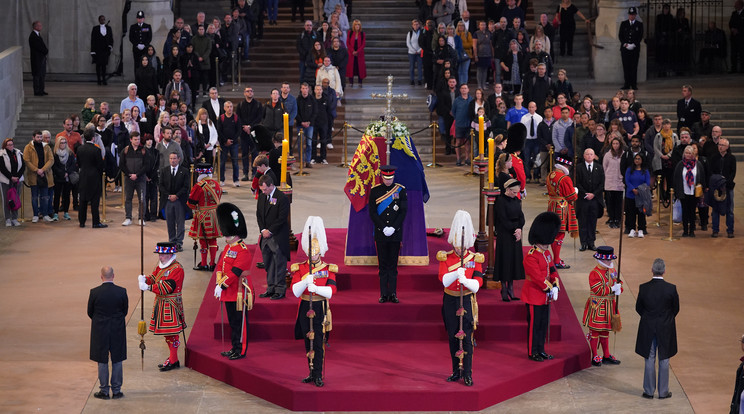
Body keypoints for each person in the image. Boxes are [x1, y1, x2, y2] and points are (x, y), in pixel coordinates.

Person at [437, 210, 484, 386]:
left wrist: (467, 280)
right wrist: (456, 274)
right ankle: (456, 371)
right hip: (450, 301)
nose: (459, 249)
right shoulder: (445, 257)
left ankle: (468, 373)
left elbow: (478, 284)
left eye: (462, 246)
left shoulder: (475, 258)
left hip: (467, 301)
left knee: (467, 339)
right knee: (452, 337)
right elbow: (443, 280)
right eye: (457, 245)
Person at [290, 216, 337, 387]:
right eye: (310, 252)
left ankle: (318, 374)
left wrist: (316, 288)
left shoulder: (327, 268)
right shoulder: (301, 267)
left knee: (318, 342)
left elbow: (331, 291)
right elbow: (295, 291)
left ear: (320, 252)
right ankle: (310, 371)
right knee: (307, 340)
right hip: (304, 306)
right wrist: (304, 281)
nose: (312, 255)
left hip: (320, 306)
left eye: (315, 252)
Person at [214, 202, 254, 360]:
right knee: (232, 322)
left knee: (240, 323)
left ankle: (241, 349)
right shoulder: (228, 248)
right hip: (228, 290)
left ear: (236, 234)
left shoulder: (242, 250)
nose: (226, 237)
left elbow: (235, 272)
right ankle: (234, 347)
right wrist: (218, 283)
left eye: (228, 235)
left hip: (238, 291)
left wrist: (222, 285)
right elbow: (220, 266)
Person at [138, 242, 187, 372]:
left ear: (170, 254)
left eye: (163, 255)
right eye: (159, 254)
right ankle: (173, 359)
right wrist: (145, 279)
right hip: (161, 303)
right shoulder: (161, 266)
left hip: (171, 305)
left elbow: (167, 287)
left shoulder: (177, 269)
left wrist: (148, 287)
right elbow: (155, 277)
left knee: (172, 334)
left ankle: (173, 359)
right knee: (168, 335)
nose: (160, 257)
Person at [635, 258, 679, 399]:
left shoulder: (644, 287)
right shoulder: (671, 288)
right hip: (665, 327)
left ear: (652, 270)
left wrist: (648, 318)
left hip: (648, 326)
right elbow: (675, 309)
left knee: (649, 358)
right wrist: (666, 320)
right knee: (664, 359)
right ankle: (663, 392)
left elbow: (639, 308)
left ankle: (649, 391)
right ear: (664, 271)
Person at [523, 211, 561, 362]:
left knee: (543, 325)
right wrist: (550, 288)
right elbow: (538, 278)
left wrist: (556, 285)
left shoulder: (546, 254)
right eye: (546, 243)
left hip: (545, 297)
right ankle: (533, 352)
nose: (548, 246)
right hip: (534, 295)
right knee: (534, 326)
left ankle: (541, 349)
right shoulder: (531, 256)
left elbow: (552, 271)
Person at [369, 165, 408, 303]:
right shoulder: (375, 191)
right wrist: (383, 227)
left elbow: (403, 212)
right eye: (386, 178)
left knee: (393, 265)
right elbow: (372, 212)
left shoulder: (400, 190)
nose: (388, 181)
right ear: (382, 177)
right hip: (381, 233)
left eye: (390, 178)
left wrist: (393, 227)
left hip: (395, 234)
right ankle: (383, 294)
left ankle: (393, 294)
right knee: (383, 265)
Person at [88, 266, 127, 400]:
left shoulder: (94, 292)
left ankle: (104, 391)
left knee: (102, 360)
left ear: (101, 276)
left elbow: (90, 312)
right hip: (117, 329)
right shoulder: (122, 292)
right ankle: (116, 390)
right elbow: (124, 310)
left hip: (100, 330)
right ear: (113, 276)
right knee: (117, 359)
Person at [582, 246, 623, 366]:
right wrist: (612, 289)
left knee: (605, 332)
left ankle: (606, 355)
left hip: (609, 305)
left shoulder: (612, 271)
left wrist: (619, 288)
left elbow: (617, 282)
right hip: (597, 306)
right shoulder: (594, 273)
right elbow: (598, 290)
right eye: (608, 260)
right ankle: (594, 355)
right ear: (601, 260)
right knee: (594, 332)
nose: (610, 262)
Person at [256, 174, 290, 300]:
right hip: (265, 237)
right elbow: (259, 215)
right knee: (268, 263)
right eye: (261, 190)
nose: (263, 192)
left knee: (279, 264)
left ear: (271, 185)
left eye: (265, 189)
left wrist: (270, 230)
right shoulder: (261, 197)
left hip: (277, 237)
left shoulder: (282, 198)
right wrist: (263, 230)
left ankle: (280, 289)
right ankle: (270, 288)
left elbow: (282, 218)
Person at [187, 163, 223, 271]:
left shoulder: (198, 186)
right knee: (213, 240)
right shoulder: (217, 184)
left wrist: (197, 207)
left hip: (203, 215)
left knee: (203, 240)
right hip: (215, 215)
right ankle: (212, 263)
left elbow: (191, 203)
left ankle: (203, 263)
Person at [494, 178, 525, 301]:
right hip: (505, 234)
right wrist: (515, 229)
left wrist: (519, 228)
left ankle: (511, 288)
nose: (515, 194)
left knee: (514, 261)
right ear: (507, 190)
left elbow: (521, 217)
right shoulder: (500, 201)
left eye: (517, 192)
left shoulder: (517, 200)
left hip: (515, 234)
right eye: (513, 192)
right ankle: (504, 289)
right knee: (505, 261)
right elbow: (503, 219)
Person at [547, 156, 577, 268]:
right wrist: (575, 192)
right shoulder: (565, 178)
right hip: (561, 207)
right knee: (559, 234)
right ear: (566, 165)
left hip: (552, 205)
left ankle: (555, 258)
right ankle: (557, 259)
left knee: (553, 232)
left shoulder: (550, 175)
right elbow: (572, 197)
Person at [674, 145, 706, 237]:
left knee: (692, 212)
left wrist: (702, 190)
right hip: (683, 191)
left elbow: (702, 177)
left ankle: (692, 230)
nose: (688, 155)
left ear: (693, 154)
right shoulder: (680, 164)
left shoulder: (698, 164)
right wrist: (676, 192)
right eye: (686, 153)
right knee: (685, 211)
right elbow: (676, 179)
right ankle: (685, 230)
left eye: (690, 153)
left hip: (694, 192)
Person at [77, 127, 106, 228]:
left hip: (83, 175)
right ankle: (95, 222)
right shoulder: (96, 149)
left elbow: (79, 164)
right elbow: (100, 164)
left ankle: (82, 222)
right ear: (93, 138)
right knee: (94, 201)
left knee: (83, 200)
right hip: (94, 176)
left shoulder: (80, 149)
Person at [576, 148, 604, 251]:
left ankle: (591, 242)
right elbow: (577, 183)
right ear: (584, 156)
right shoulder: (578, 168)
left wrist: (593, 194)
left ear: (594, 156)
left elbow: (601, 184)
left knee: (592, 221)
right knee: (583, 221)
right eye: (587, 154)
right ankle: (583, 242)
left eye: (591, 154)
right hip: (583, 199)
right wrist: (585, 194)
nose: (589, 156)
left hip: (595, 199)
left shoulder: (599, 168)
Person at [159, 152, 189, 249]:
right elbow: (161, 186)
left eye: (175, 158)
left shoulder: (184, 171)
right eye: (171, 158)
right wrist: (169, 196)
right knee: (170, 222)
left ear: (179, 159)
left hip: (180, 201)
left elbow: (186, 187)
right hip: (168, 201)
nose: (173, 160)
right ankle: (172, 241)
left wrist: (176, 195)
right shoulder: (164, 171)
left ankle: (179, 242)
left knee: (180, 223)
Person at [23, 130, 54, 223]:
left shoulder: (46, 147)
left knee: (45, 196)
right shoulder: (28, 148)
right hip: (34, 175)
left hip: (45, 174)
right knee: (34, 197)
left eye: (41, 137)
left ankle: (45, 214)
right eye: (38, 137)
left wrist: (43, 170)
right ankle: (35, 215)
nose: (40, 139)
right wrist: (37, 170)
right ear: (33, 137)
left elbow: (51, 159)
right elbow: (26, 160)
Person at [708, 138, 736, 238]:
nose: (720, 147)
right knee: (715, 209)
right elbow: (710, 171)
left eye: (722, 145)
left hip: (728, 187)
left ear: (727, 147)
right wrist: (718, 181)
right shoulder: (714, 157)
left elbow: (733, 172)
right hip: (716, 186)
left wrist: (725, 182)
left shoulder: (732, 158)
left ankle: (730, 230)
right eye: (719, 145)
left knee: (729, 209)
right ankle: (715, 230)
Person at [119, 132, 148, 226]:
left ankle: (141, 218)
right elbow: (121, 165)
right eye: (135, 139)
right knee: (128, 198)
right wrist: (129, 174)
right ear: (131, 140)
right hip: (129, 178)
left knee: (142, 199)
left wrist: (138, 175)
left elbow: (146, 165)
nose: (137, 141)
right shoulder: (126, 150)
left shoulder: (143, 150)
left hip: (141, 178)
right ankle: (128, 218)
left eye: (138, 139)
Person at [625, 152, 651, 236]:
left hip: (641, 195)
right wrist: (633, 189)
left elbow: (647, 182)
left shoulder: (645, 170)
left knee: (641, 213)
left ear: (642, 160)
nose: (637, 160)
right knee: (631, 212)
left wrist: (639, 190)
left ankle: (641, 229)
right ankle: (631, 229)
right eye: (635, 159)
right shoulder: (629, 169)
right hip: (631, 194)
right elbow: (627, 180)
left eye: (639, 159)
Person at [217, 101, 242, 187]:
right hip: (224, 144)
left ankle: (236, 180)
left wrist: (232, 140)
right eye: (227, 107)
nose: (229, 108)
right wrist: (225, 141)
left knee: (235, 162)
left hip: (234, 143)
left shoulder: (236, 118)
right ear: (224, 108)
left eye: (231, 106)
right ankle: (221, 179)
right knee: (222, 162)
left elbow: (239, 130)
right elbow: (219, 131)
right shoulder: (221, 118)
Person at [52, 136, 77, 221]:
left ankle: (66, 212)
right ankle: (55, 213)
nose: (63, 144)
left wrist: (67, 173)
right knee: (57, 196)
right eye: (61, 143)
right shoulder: (54, 153)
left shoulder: (70, 153)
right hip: (58, 177)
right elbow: (54, 166)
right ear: (58, 144)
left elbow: (73, 164)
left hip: (67, 178)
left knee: (66, 196)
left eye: (64, 143)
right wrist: (62, 173)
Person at [0, 138, 25, 227]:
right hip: (6, 181)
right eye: (9, 145)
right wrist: (11, 177)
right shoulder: (1, 154)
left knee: (15, 199)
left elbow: (23, 166)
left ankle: (14, 218)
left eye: (12, 144)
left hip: (17, 180)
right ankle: (7, 219)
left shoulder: (18, 153)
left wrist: (17, 177)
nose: (11, 146)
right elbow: (2, 168)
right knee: (7, 200)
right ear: (5, 146)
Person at [602, 136, 625, 229]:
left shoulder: (623, 154)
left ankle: (618, 219)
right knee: (610, 202)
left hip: (619, 181)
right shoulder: (607, 155)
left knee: (618, 202)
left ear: (620, 144)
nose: (615, 145)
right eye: (614, 144)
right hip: (610, 181)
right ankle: (611, 218)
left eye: (617, 143)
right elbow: (604, 167)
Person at [618, 7, 643, 90]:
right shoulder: (624, 24)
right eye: (630, 15)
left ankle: (633, 84)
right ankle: (627, 84)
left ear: (635, 15)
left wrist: (634, 44)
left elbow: (640, 36)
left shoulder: (639, 24)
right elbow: (620, 36)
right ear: (628, 15)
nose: (631, 16)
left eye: (633, 15)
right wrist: (625, 44)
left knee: (634, 66)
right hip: (625, 49)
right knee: (626, 66)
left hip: (634, 49)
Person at [296, 83, 318, 167]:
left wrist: (309, 122)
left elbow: (315, 112)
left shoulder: (312, 99)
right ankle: (301, 161)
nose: (304, 90)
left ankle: (308, 161)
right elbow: (296, 112)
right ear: (301, 89)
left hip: (310, 125)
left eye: (306, 88)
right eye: (303, 88)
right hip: (300, 125)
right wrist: (301, 122)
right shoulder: (298, 100)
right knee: (300, 144)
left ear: (308, 89)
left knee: (309, 143)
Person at [451, 83, 473, 166]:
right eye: (462, 88)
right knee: (458, 142)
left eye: (465, 88)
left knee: (467, 143)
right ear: (460, 90)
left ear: (468, 90)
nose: (464, 90)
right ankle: (458, 159)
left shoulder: (471, 100)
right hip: (459, 124)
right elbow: (453, 112)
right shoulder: (457, 100)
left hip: (468, 124)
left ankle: (467, 158)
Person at [90, 15, 114, 85]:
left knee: (104, 66)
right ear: (99, 20)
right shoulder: (95, 28)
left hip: (105, 50)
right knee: (98, 65)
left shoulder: (108, 28)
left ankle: (104, 79)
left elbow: (111, 39)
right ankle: (98, 80)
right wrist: (93, 51)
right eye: (101, 19)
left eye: (103, 19)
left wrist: (110, 46)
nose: (102, 20)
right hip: (98, 50)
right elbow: (93, 40)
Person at [29, 21, 48, 96]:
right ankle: (37, 91)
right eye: (39, 25)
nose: (41, 27)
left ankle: (41, 90)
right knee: (37, 75)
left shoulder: (38, 35)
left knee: (42, 75)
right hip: (36, 60)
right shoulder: (33, 36)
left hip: (41, 59)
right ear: (35, 27)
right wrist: (45, 51)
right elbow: (38, 47)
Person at [346, 19, 366, 87]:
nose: (357, 26)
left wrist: (357, 51)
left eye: (358, 25)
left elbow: (363, 44)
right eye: (356, 25)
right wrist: (352, 51)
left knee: (359, 68)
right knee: (351, 68)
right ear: (353, 26)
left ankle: (360, 82)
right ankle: (351, 82)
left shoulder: (362, 34)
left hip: (359, 54)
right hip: (351, 54)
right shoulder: (350, 33)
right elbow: (347, 43)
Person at [407, 19, 424, 86]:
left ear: (419, 25)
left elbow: (423, 42)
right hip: (411, 53)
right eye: (414, 24)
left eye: (417, 24)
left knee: (419, 67)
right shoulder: (410, 33)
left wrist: (419, 50)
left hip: (419, 52)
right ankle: (412, 80)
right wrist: (414, 50)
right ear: (412, 25)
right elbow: (408, 43)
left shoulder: (422, 32)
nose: (416, 26)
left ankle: (419, 80)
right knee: (412, 67)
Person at [731, 0, 744, 73]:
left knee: (742, 54)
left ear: (741, 5)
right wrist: (732, 28)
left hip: (742, 37)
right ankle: (734, 69)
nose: (735, 6)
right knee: (733, 54)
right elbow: (730, 23)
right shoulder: (734, 13)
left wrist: (738, 30)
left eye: (736, 5)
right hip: (734, 37)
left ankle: (742, 69)